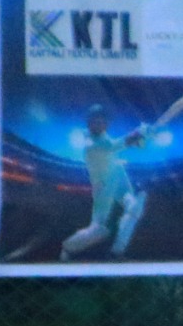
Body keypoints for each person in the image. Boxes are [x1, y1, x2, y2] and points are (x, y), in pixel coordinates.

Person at [60, 104, 152, 260]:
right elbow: (113, 146)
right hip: (103, 185)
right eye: (96, 121)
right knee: (99, 229)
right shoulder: (90, 143)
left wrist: (144, 137)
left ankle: (117, 251)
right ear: (89, 123)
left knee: (134, 206)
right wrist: (138, 133)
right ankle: (68, 248)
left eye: (103, 121)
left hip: (117, 175)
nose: (100, 124)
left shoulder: (104, 137)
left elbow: (135, 145)